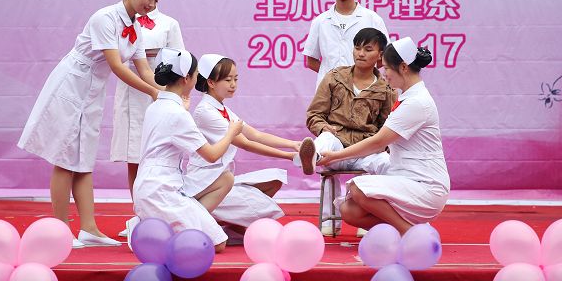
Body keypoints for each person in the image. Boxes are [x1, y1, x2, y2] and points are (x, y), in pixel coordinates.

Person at [18, 0, 166, 248]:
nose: (152, 4)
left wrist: (165, 92)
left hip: (92, 90)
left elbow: (144, 70)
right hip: (71, 85)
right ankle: (61, 231)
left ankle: (89, 229)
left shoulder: (135, 27)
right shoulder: (105, 18)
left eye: (157, 0)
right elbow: (117, 66)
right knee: (65, 158)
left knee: (83, 159)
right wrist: (152, 93)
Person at [317, 37, 450, 235]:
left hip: (425, 185)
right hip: (405, 178)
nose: (384, 74)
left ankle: (409, 232)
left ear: (403, 67)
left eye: (386, 68)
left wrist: (335, 156)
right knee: (349, 211)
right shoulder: (407, 97)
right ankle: (414, 227)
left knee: (358, 189)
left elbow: (378, 142)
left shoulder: (416, 102)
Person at [131, 48, 243, 253]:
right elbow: (211, 155)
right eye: (196, 74)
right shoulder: (178, 114)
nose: (198, 78)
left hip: (150, 185)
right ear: (186, 78)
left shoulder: (156, 106)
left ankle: (154, 224)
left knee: (224, 180)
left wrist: (183, 110)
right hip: (161, 190)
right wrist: (231, 133)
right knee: (215, 244)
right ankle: (150, 231)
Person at [182, 54, 300, 242]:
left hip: (220, 180)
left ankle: (229, 227)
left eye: (235, 79)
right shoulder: (205, 112)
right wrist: (290, 156)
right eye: (228, 80)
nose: (233, 84)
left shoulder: (223, 109)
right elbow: (246, 143)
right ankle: (205, 220)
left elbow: (256, 135)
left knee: (274, 180)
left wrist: (293, 144)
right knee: (252, 200)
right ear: (211, 83)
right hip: (205, 183)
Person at [297, 27, 396, 236]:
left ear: (380, 55)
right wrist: (323, 127)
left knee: (387, 163)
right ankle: (313, 158)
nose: (360, 53)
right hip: (335, 146)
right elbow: (314, 114)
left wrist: (381, 147)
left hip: (365, 150)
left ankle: (368, 218)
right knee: (325, 138)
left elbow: (388, 127)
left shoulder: (386, 89)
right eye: (357, 48)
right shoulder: (334, 77)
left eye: (368, 49)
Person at [110, 6, 184, 237]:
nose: (150, 3)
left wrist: (172, 93)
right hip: (130, 87)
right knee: (134, 156)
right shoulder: (121, 22)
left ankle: (164, 217)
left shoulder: (169, 23)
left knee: (160, 155)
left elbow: (180, 61)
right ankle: (140, 218)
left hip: (160, 88)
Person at [303, 0, 389, 89]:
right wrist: (333, 77)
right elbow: (311, 61)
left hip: (362, 92)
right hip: (328, 92)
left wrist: (363, 76)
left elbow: (384, 57)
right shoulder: (320, 21)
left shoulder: (372, 19)